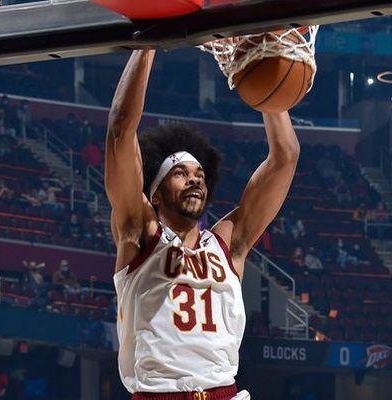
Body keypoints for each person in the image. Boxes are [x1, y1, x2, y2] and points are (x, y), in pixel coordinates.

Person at [105, 49, 299, 399]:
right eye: (180, 173)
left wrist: (265, 72)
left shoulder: (228, 243)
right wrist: (147, 46)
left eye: (199, 174)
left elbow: (285, 157)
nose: (194, 179)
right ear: (155, 195)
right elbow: (121, 128)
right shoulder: (139, 232)